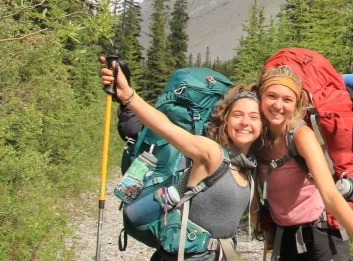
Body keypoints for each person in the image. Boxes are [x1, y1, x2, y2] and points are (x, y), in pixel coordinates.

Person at [99, 56, 263, 261]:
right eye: (238, 115)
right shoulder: (211, 153)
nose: (245, 122)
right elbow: (166, 128)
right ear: (226, 119)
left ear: (262, 125)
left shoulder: (249, 165)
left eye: (254, 117)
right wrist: (128, 96)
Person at [254, 65, 353, 260]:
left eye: (287, 99)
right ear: (260, 97)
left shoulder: (301, 136)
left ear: (296, 103)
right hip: (286, 237)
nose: (278, 105)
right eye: (271, 96)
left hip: (322, 236)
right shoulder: (257, 137)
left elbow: (330, 193)